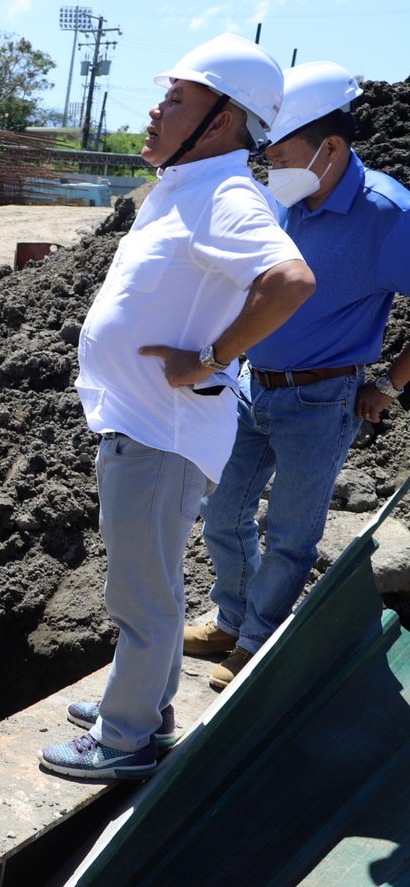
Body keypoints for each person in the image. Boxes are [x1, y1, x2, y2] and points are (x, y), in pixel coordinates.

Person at [40, 34, 315, 780]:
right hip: (144, 428)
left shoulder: (226, 194)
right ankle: (148, 707)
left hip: (162, 433)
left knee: (141, 593)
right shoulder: (187, 185)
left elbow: (289, 281)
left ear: (222, 120)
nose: (157, 110)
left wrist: (211, 358)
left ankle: (125, 738)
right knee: (148, 579)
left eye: (177, 100)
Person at [190, 61, 410, 690]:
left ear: (331, 147)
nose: (270, 167)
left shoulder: (387, 214)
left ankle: (256, 643)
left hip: (322, 397)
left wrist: (390, 385)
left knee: (291, 529)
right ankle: (231, 618)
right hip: (255, 383)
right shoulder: (284, 201)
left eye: (281, 153)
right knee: (223, 505)